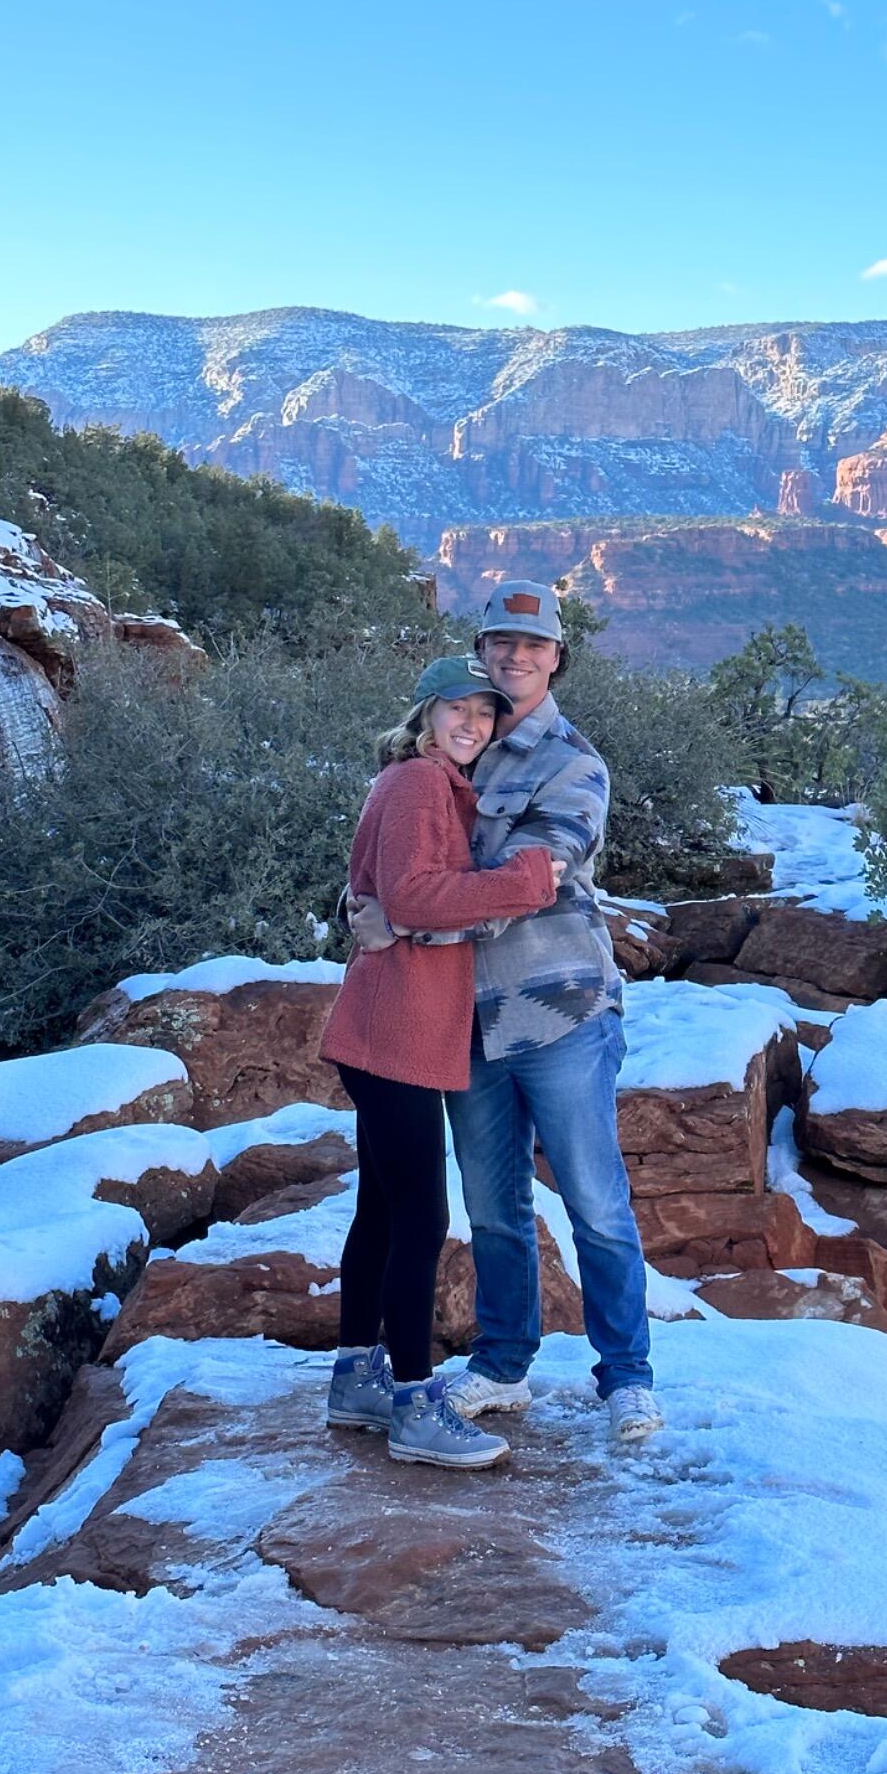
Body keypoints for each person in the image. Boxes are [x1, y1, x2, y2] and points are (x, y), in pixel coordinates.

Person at [363, 580, 664, 1444]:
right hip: (464, 1015)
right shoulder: (448, 748)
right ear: (481, 652)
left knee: (594, 1202)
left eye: (533, 646)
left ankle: (626, 1378)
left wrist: (407, 917)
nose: (515, 656)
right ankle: (502, 1364)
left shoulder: (573, 763)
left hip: (560, 1008)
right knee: (492, 1205)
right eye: (501, 642)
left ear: (556, 657)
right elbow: (391, 860)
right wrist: (365, 903)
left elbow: (534, 880)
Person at [317, 655, 563, 1469]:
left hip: (392, 1027)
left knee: (383, 1215)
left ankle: (355, 1381)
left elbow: (389, 892)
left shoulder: (420, 784)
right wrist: (526, 878)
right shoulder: (420, 782)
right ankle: (416, 1406)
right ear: (425, 713)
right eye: (457, 708)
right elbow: (414, 895)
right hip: (398, 1033)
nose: (472, 723)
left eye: (484, 713)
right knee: (420, 1221)